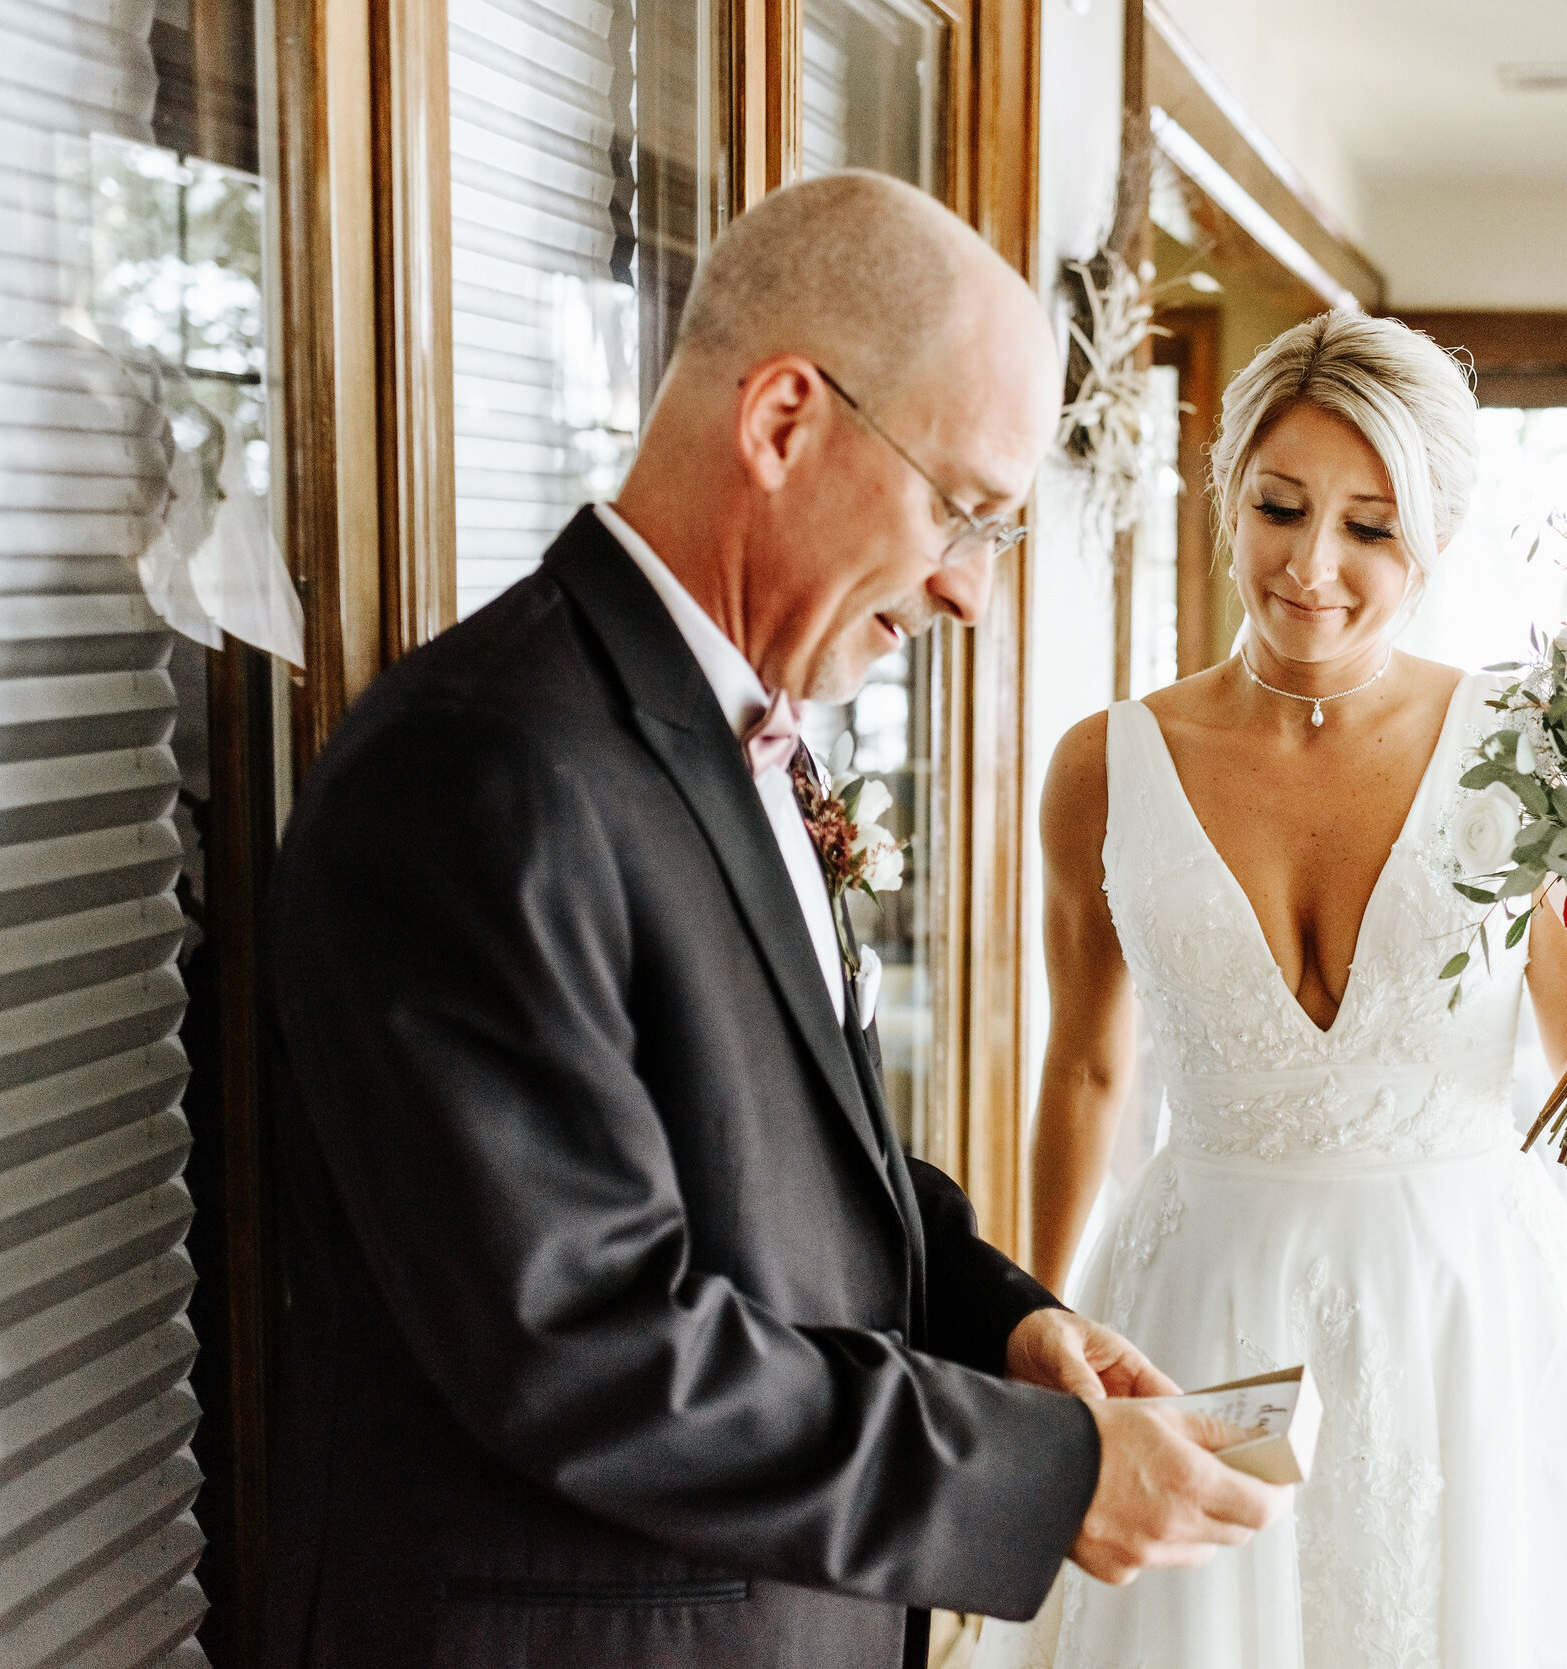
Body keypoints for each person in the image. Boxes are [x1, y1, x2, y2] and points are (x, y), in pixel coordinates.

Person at [258, 170, 1283, 1669]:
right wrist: (1041, 1473)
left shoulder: (739, 731)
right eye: (966, 511)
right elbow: (591, 1344)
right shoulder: (479, 770)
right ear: (785, 419)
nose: (969, 592)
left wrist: (1000, 1323)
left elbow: (797, 1166)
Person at [984, 311, 1567, 1669]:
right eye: (1280, 505)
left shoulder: (1526, 749)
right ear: (1229, 499)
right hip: (1193, 1297)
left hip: (1462, 1314)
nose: (1311, 566)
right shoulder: (1103, 763)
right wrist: (1033, 1331)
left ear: (1431, 541)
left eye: (1369, 528)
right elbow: (1089, 1066)